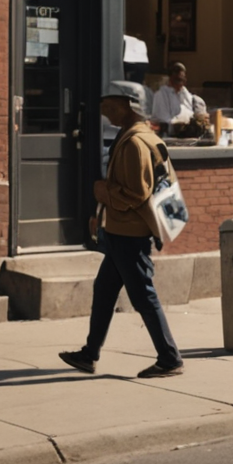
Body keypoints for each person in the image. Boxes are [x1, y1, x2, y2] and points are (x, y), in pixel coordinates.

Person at [59, 81, 184, 378]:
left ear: (127, 106)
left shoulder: (134, 143)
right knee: (104, 291)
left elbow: (136, 194)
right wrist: (101, 214)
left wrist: (103, 194)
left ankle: (170, 358)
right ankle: (89, 354)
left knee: (143, 296)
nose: (105, 112)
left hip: (130, 235)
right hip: (120, 231)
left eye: (109, 106)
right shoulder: (138, 136)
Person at [148, 62, 208, 136]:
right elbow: (163, 119)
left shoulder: (187, 95)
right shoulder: (160, 95)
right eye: (176, 74)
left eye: (181, 77)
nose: (179, 78)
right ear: (170, 77)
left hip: (189, 134)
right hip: (169, 135)